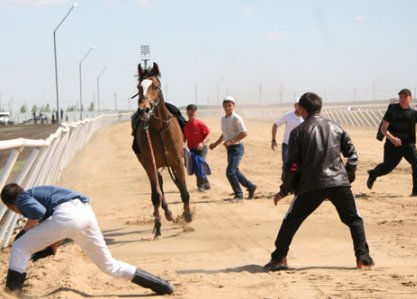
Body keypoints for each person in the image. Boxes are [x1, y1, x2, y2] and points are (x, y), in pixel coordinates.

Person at [264, 92, 374, 271]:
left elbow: (291, 166)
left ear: (301, 108)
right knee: (354, 219)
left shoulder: (298, 132)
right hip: (339, 183)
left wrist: (285, 190)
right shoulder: (336, 127)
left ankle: (279, 259)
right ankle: (363, 259)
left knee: (291, 219)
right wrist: (347, 176)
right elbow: (353, 155)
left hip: (311, 185)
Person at [1, 183, 174, 295]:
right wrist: (53, 246)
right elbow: (61, 226)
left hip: (67, 216)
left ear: (10, 205)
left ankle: (11, 293)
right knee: (109, 265)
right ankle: (162, 285)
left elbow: (39, 213)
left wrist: (23, 232)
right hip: (85, 213)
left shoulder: (22, 198)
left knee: (20, 246)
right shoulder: (39, 192)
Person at [367, 88, 417, 196]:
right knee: (387, 167)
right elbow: (383, 128)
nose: (402, 98)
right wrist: (392, 138)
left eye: (405, 96)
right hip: (393, 145)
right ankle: (373, 173)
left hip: (408, 144)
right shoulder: (392, 110)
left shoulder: (414, 113)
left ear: (410, 98)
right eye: (400, 96)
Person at [209, 96, 257, 202]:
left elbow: (244, 133)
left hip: (237, 148)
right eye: (225, 106)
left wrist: (231, 141)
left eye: (229, 106)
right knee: (235, 171)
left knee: (230, 172)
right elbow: (224, 134)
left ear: (233, 106)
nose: (227, 108)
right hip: (230, 149)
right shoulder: (223, 119)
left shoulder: (236, 118)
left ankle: (239, 195)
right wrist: (216, 143)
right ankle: (251, 186)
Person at [184, 104, 212, 192]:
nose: (191, 113)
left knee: (198, 163)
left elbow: (209, 134)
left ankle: (201, 185)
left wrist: (202, 143)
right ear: (187, 112)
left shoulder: (200, 123)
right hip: (191, 149)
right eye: (189, 111)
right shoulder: (186, 125)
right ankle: (205, 181)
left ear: (196, 112)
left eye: (193, 111)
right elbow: (184, 138)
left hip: (202, 148)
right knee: (194, 166)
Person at [271, 102, 304, 178]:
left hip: (300, 146)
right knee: (286, 165)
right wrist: (273, 140)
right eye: (297, 105)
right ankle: (285, 186)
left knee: (298, 166)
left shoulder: (305, 117)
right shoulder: (288, 116)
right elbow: (275, 125)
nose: (299, 107)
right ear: (294, 106)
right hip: (287, 145)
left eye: (300, 105)